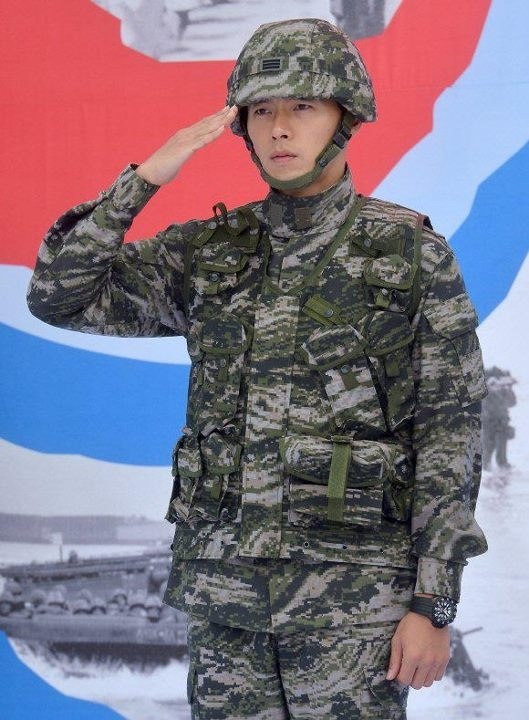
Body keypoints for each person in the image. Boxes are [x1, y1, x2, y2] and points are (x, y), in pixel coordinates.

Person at [27, 18, 488, 719]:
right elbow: (58, 296)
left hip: (352, 606)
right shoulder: (213, 251)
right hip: (226, 601)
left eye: (301, 106)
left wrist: (433, 601)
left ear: (344, 116)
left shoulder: (405, 253)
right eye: (262, 111)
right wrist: (145, 178)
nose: (279, 129)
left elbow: (450, 431)